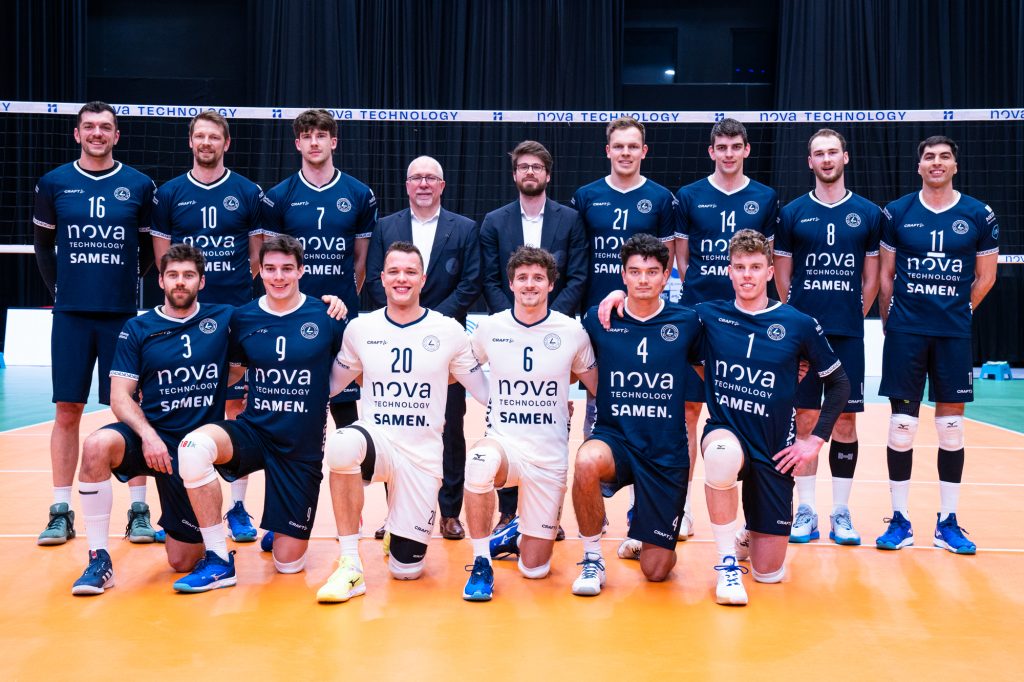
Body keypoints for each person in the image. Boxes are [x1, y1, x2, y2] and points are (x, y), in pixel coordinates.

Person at [172, 235, 347, 593]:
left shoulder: (327, 315)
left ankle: (280, 527)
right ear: (261, 272)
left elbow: (349, 370)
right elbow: (234, 372)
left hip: (300, 447)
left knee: (288, 564)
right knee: (193, 447)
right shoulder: (243, 317)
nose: (278, 277)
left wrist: (317, 396)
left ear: (301, 270)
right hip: (254, 431)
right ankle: (218, 559)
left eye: (286, 269)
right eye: (270, 269)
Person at [317, 242, 488, 603]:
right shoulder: (361, 329)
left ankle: (400, 530)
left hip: (421, 458)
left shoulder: (448, 331)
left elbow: (485, 391)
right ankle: (350, 563)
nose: (401, 279)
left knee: (406, 571)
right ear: (381, 278)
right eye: (394, 271)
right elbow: (330, 385)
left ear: (423, 279)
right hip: (377, 442)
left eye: (410, 272)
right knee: (342, 443)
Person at [695, 230, 849, 606]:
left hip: (774, 448)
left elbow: (840, 384)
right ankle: (726, 563)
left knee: (769, 574)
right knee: (720, 455)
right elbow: (655, 318)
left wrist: (815, 440)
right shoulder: (708, 315)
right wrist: (618, 296)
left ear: (769, 272)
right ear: (729, 271)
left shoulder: (798, 323)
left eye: (755, 267)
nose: (747, 275)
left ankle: (749, 532)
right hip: (727, 431)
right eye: (739, 267)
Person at [71, 245, 232, 594]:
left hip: (193, 450)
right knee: (96, 445)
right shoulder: (138, 327)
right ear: (160, 280)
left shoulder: (224, 319)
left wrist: (329, 302)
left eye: (188, 275)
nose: (180, 282)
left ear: (202, 281)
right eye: (172, 275)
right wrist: (148, 435)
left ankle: (197, 535)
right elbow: (119, 396)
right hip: (152, 437)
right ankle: (99, 559)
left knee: (182, 561)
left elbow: (275, 314)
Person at [33, 101, 158, 546]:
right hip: (70, 315)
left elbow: (148, 250)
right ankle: (60, 510)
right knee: (67, 409)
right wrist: (61, 292)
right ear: (77, 133)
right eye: (90, 127)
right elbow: (43, 247)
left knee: (130, 407)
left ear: (116, 135)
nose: (97, 134)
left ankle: (138, 510)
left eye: (106, 127)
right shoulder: (54, 183)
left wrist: (125, 283)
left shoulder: (139, 185)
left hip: (121, 316)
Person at [875, 135, 998, 555]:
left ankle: (948, 522)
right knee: (901, 427)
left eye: (944, 157)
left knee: (951, 428)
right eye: (929, 157)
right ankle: (900, 520)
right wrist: (891, 322)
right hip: (906, 332)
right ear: (919, 166)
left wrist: (959, 312)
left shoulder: (978, 213)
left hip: (952, 334)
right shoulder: (897, 212)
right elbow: (886, 275)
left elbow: (986, 276)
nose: (937, 163)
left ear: (955, 166)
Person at [150, 110, 265, 543]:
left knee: (236, 408)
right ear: (190, 141)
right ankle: (180, 508)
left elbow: (255, 257)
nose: (206, 142)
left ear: (226, 143)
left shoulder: (247, 192)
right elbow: (163, 259)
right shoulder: (169, 193)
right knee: (181, 406)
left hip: (232, 313)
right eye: (199, 135)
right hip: (184, 317)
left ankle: (237, 507)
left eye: (214, 136)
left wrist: (230, 298)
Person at [461, 246, 597, 601]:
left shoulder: (571, 331)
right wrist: (486, 395)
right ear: (511, 284)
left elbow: (597, 385)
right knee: (479, 461)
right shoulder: (491, 328)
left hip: (549, 458)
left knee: (534, 570)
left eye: (538, 278)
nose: (530, 284)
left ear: (551, 284)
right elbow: (458, 365)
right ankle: (481, 563)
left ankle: (516, 532)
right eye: (522, 278)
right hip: (505, 446)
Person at [571, 234, 702, 597]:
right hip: (617, 440)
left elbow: (715, 371)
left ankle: (649, 538)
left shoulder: (688, 322)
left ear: (666, 276)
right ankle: (592, 558)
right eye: (635, 272)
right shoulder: (599, 319)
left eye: (652, 272)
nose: (643, 279)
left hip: (665, 452)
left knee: (656, 571)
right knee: (585, 461)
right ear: (623, 275)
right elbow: (568, 361)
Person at [571, 117, 677, 547]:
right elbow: (578, 258)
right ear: (608, 150)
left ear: (644, 151)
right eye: (619, 146)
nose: (626, 153)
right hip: (599, 322)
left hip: (644, 320)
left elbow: (666, 263)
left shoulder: (661, 198)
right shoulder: (586, 196)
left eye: (634, 146)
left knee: (645, 410)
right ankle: (594, 517)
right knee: (596, 409)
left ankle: (640, 511)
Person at [773, 129, 881, 545]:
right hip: (802, 337)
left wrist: (854, 313)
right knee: (804, 418)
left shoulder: (868, 213)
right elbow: (782, 278)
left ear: (845, 157)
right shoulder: (793, 213)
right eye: (819, 153)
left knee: (846, 420)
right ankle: (805, 509)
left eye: (833, 152)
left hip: (847, 333)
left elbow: (871, 279)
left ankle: (840, 510)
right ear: (810, 161)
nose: (827, 159)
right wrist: (799, 325)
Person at [673, 117, 779, 543]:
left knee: (749, 413)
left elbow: (768, 258)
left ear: (746, 150)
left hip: (748, 321)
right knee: (687, 413)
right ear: (711, 151)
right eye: (722, 147)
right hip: (701, 317)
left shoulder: (765, 197)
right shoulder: (690, 195)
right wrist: (704, 300)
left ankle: (752, 521)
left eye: (736, 146)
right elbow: (682, 258)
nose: (729, 153)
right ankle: (680, 510)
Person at [366, 156, 482, 540]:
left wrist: (429, 322)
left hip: (444, 346)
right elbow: (374, 279)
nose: (424, 184)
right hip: (395, 343)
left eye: (431, 177)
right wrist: (405, 321)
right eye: (416, 177)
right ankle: (395, 514)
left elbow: (470, 283)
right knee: (395, 430)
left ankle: (449, 513)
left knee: (450, 429)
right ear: (407, 185)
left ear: (442, 185)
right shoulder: (385, 227)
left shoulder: (464, 228)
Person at [479, 140, 588, 534]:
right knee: (508, 420)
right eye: (523, 167)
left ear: (547, 174)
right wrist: (513, 319)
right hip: (510, 331)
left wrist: (547, 320)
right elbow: (490, 278)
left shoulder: (570, 219)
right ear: (514, 174)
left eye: (536, 167)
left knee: (551, 417)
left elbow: (578, 276)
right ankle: (509, 514)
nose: (529, 172)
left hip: (554, 333)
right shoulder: (495, 221)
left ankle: (547, 514)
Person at [262, 108, 376, 431]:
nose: (314, 143)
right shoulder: (278, 196)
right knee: (294, 405)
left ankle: (355, 464)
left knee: (345, 407)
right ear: (297, 144)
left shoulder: (359, 194)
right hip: (293, 315)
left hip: (341, 316)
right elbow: (273, 265)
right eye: (307, 136)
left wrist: (343, 299)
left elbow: (361, 262)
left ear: (333, 142)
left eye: (321, 136)